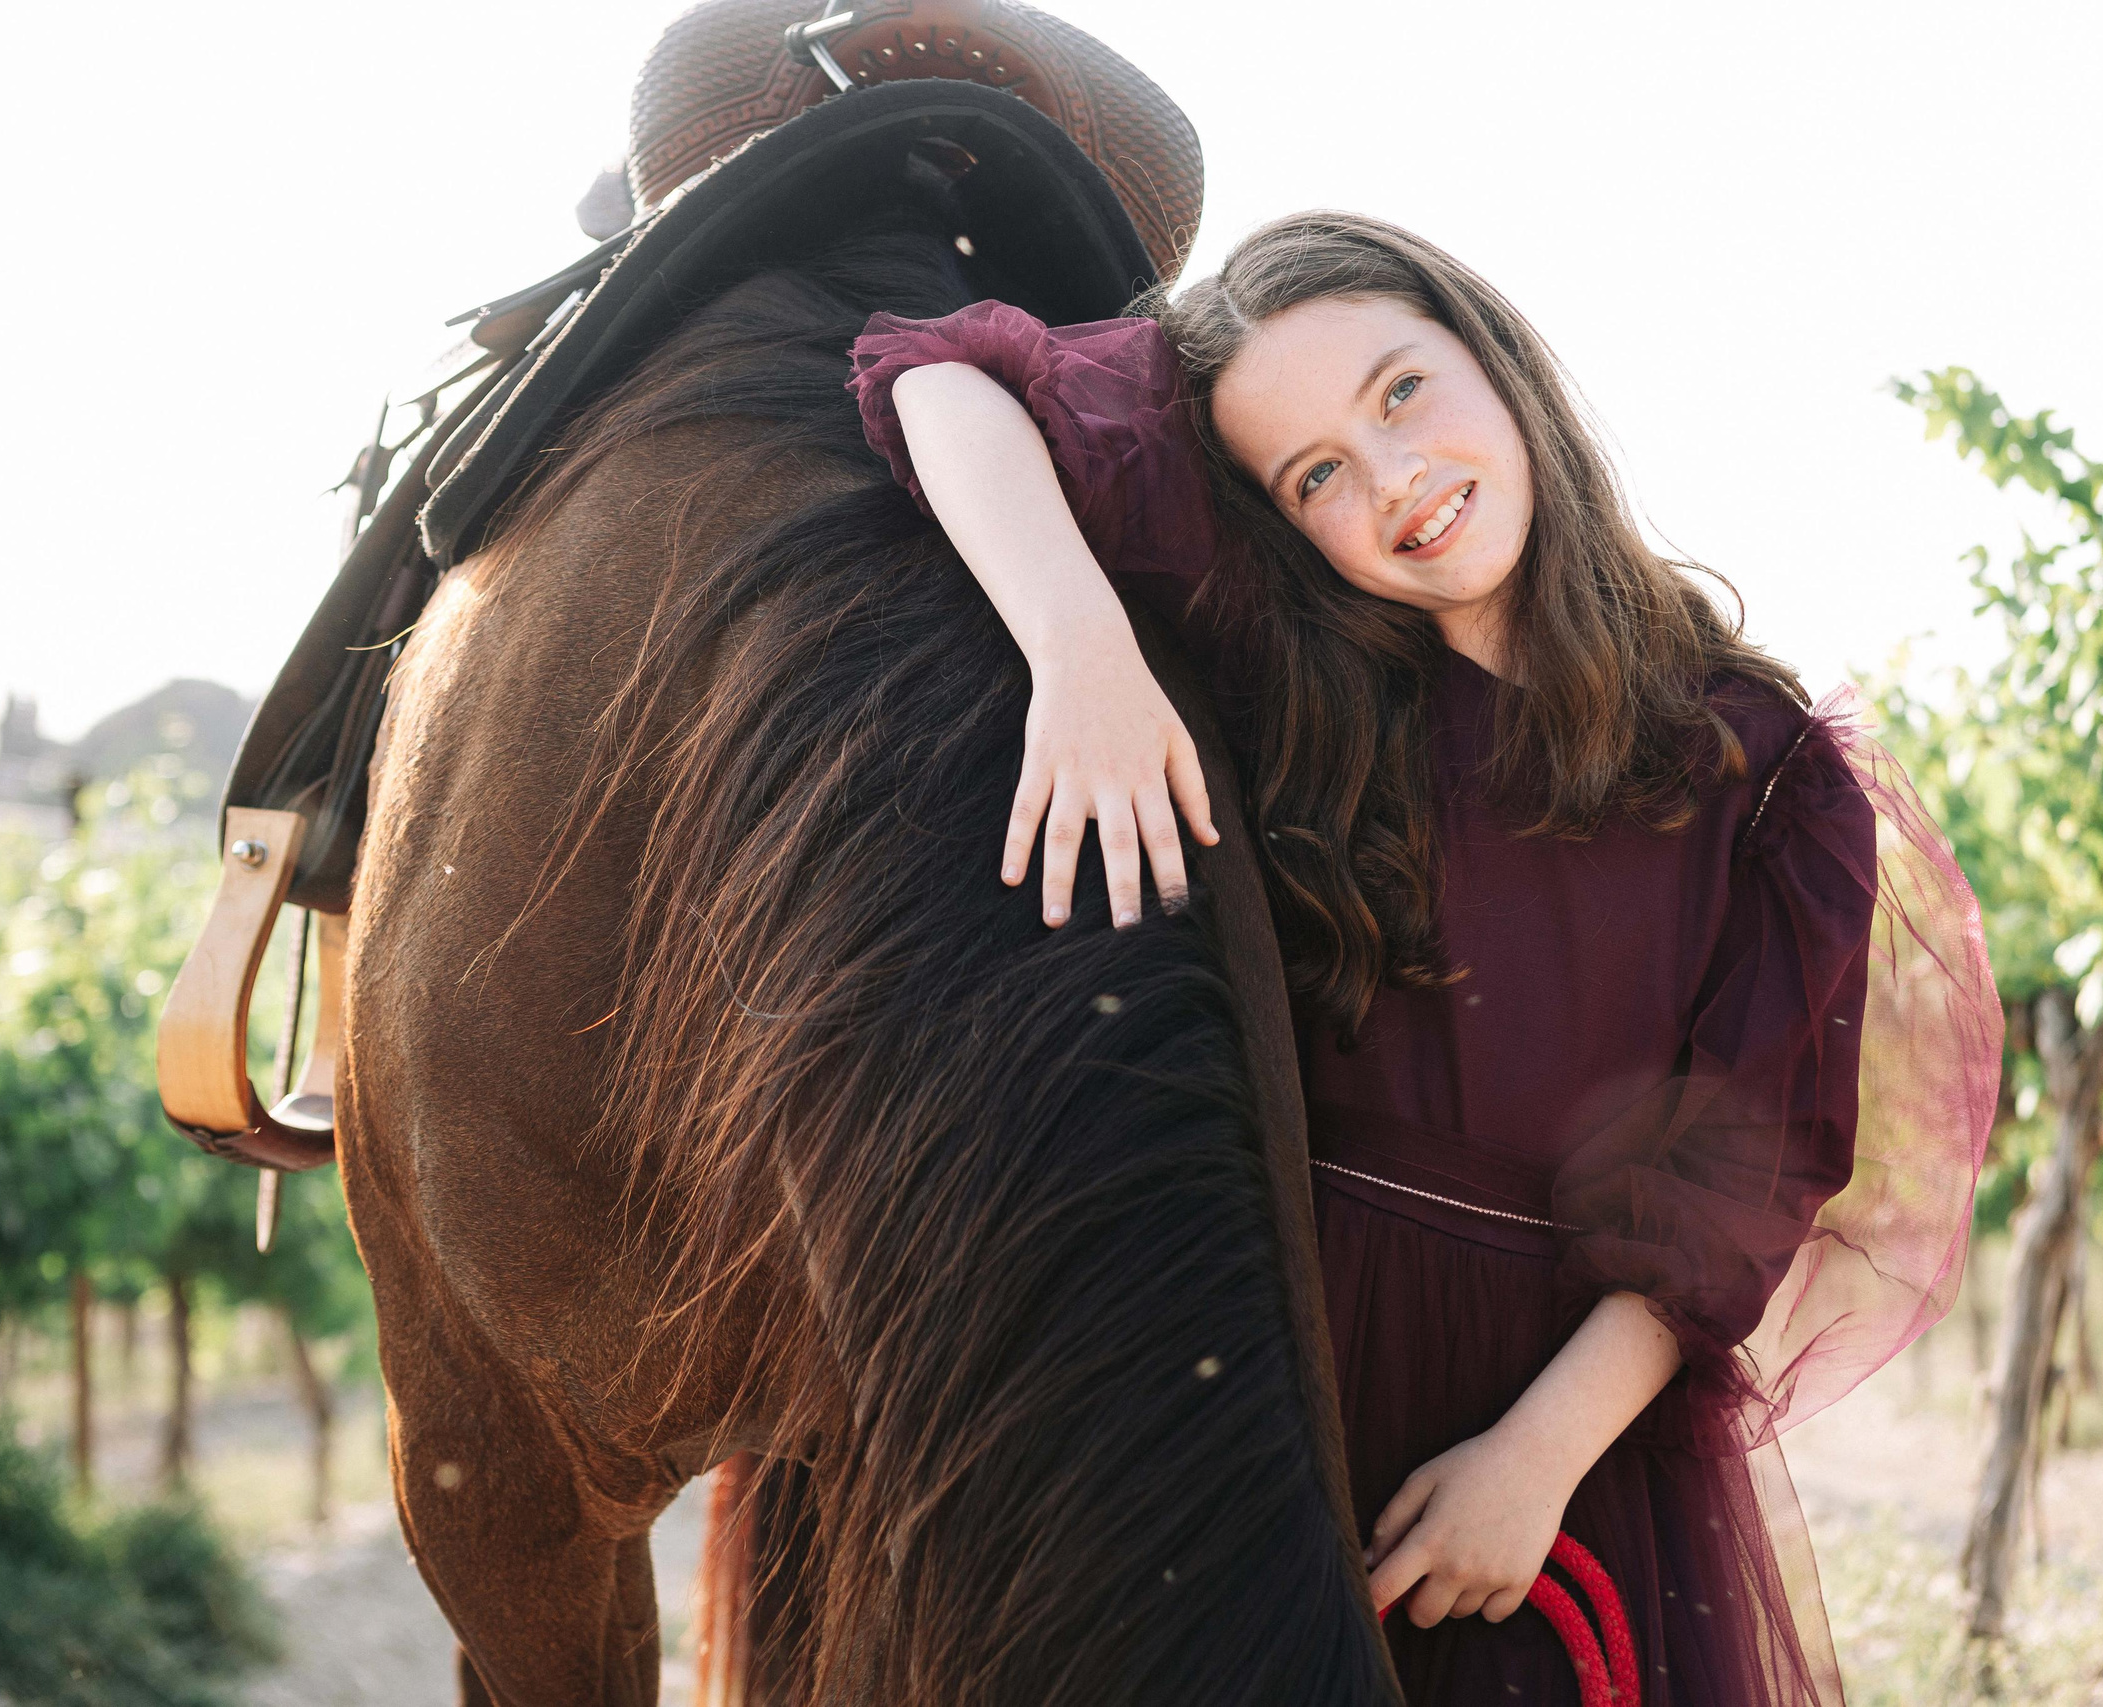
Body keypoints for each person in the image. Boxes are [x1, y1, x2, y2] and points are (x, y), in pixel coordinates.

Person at [847, 211, 2000, 1705]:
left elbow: (1746, 1182)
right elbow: (941, 383)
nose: (1392, 479)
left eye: (1401, 392)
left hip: (1560, 1427)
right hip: (1253, 1373)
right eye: (1315, 475)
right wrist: (1081, 649)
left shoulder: (1763, 772)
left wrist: (1532, 1465)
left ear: (1493, 354)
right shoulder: (1289, 669)